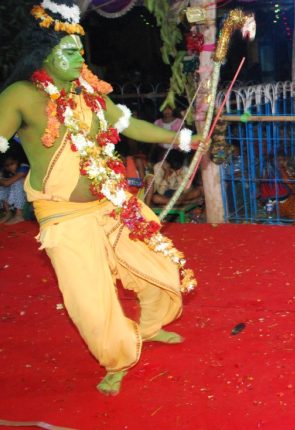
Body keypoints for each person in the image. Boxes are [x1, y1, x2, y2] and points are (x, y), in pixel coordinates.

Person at [0, 1, 202, 396]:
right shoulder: (21, 95)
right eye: (69, 50)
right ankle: (116, 357)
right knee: (89, 299)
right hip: (63, 217)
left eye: (80, 49)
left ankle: (150, 326)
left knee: (157, 264)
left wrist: (184, 139)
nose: (80, 57)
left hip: (111, 203)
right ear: (44, 55)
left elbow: (132, 126)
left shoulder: (89, 93)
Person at [0, 151, 30, 224]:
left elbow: (6, 183)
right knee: (2, 187)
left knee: (17, 182)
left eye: (12, 164)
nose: (10, 167)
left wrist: (3, 181)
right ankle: (8, 213)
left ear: (17, 161)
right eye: (7, 166)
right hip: (17, 195)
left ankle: (19, 215)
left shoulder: (24, 167)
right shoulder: (6, 171)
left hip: (28, 196)